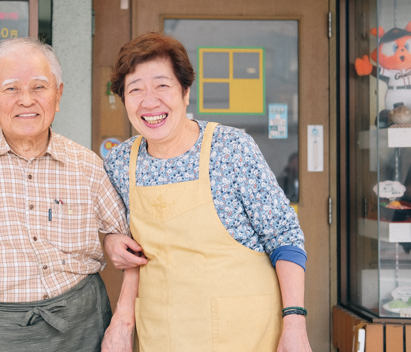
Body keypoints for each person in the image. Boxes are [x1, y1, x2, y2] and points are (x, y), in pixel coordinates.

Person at [0, 38, 131, 352]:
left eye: (39, 88)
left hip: (84, 325)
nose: (26, 100)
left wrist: (123, 321)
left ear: (58, 96)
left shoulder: (87, 164)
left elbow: (121, 236)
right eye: (11, 89)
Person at [101, 32, 312, 352]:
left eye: (162, 85)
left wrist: (295, 322)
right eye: (135, 89)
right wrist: (113, 246)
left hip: (244, 335)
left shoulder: (230, 149)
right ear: (124, 100)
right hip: (163, 334)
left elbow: (284, 236)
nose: (149, 101)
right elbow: (131, 253)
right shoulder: (120, 163)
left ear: (186, 92)